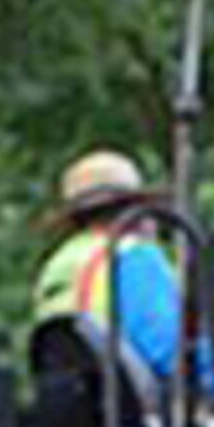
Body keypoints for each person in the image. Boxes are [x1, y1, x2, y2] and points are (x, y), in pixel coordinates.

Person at [34, 150, 181, 388]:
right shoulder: (133, 255)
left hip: (74, 415)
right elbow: (167, 353)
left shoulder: (56, 265)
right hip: (133, 413)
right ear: (137, 210)